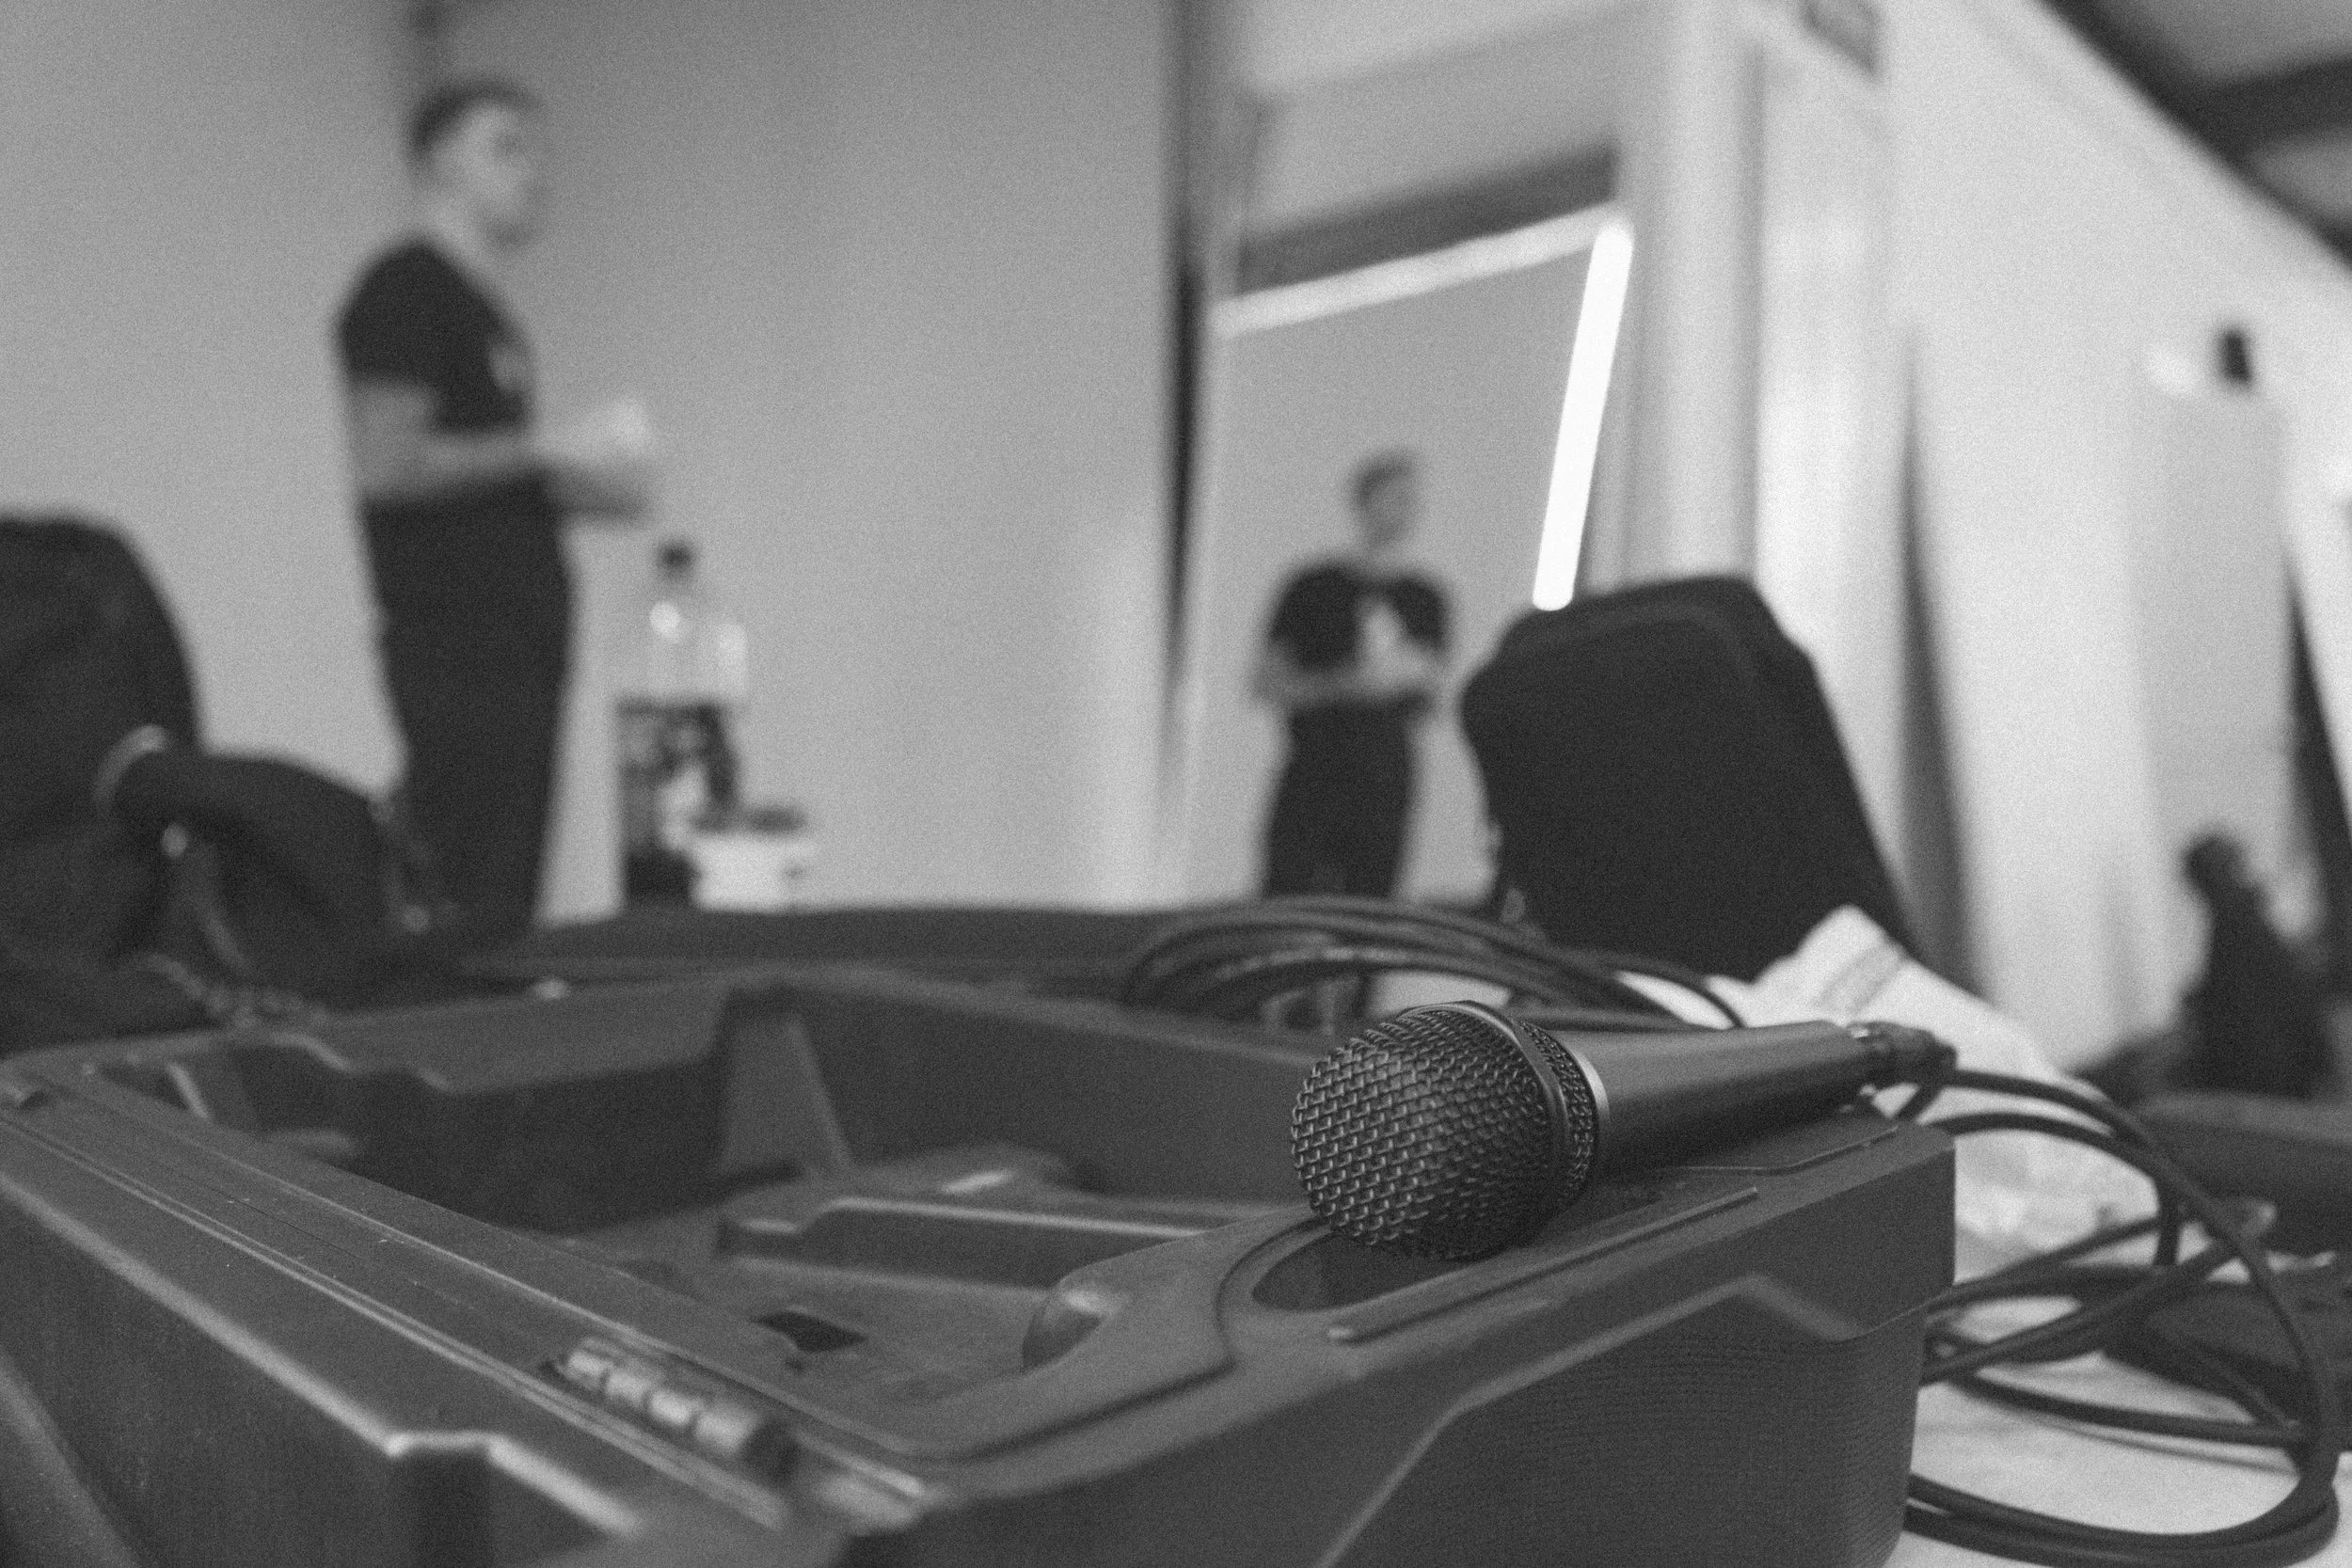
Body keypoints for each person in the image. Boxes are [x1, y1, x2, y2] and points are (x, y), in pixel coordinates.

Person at [336, 80, 651, 948]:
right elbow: (389, 463)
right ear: (441, 160)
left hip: (519, 644)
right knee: (467, 894)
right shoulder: (405, 291)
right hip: (457, 646)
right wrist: (550, 446)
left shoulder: (489, 316)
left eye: (541, 147)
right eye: (508, 145)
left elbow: (482, 474)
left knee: (506, 893)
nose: (538, 170)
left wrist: (586, 481)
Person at [1253, 451, 1451, 898]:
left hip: (1383, 779)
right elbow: (1268, 682)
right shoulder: (1312, 589)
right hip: (1315, 771)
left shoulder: (1426, 598)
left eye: (1409, 501)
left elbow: (1429, 689)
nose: (1403, 511)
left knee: (1370, 906)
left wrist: (1407, 680)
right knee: (1290, 898)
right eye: (1393, 498)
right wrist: (1351, 684)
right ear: (1364, 502)